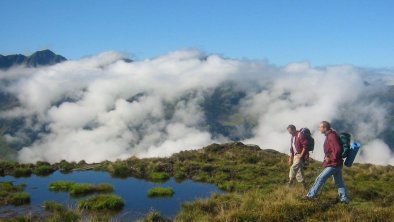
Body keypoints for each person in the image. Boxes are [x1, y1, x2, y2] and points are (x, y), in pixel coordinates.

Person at [305, 121, 349, 204]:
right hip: (337, 164)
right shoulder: (330, 135)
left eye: (320, 127)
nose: (319, 128)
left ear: (325, 128)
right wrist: (328, 157)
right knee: (339, 183)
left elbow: (338, 149)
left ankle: (310, 196)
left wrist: (330, 158)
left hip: (334, 164)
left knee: (320, 178)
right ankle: (344, 199)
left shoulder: (331, 136)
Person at [287, 124, 308, 190]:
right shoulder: (292, 137)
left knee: (293, 168)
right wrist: (290, 158)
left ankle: (290, 183)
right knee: (299, 171)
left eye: (290, 131)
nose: (290, 133)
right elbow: (292, 148)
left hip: (300, 155)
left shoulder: (300, 135)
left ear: (294, 129)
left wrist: (301, 155)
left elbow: (305, 145)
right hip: (295, 156)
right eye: (289, 132)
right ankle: (304, 186)